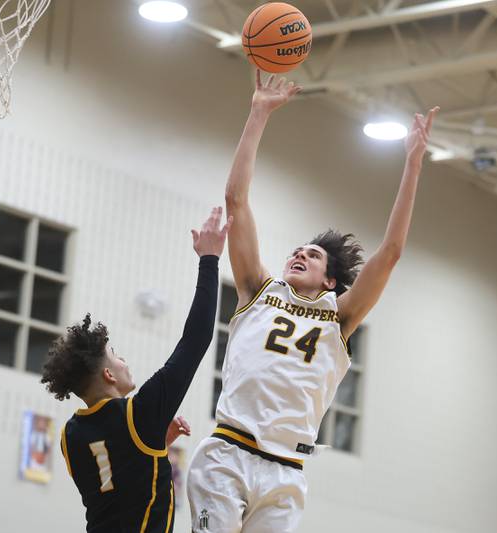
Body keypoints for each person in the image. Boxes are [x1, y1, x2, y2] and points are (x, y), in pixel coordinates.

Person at [187, 71, 438, 533]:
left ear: (332, 279)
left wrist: (413, 165)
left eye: (314, 254)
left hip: (286, 471)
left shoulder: (339, 319)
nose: (300, 253)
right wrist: (258, 112)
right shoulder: (257, 289)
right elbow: (236, 200)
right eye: (297, 250)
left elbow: (392, 253)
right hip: (227, 453)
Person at [42, 207, 231, 533]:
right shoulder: (138, 414)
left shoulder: (69, 436)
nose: (124, 361)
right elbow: (196, 339)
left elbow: (119, 481)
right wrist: (210, 260)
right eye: (116, 357)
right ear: (109, 375)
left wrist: (156, 445)